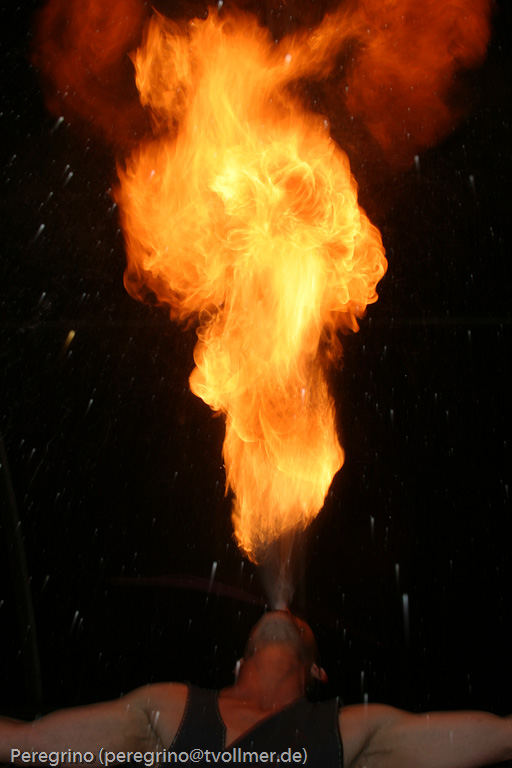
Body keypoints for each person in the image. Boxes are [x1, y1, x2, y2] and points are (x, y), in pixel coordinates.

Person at [0, 610, 510, 767]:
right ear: (239, 660)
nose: (284, 611)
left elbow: (503, 737)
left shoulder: (351, 731)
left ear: (317, 672)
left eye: (301, 621)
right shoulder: (169, 707)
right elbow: (25, 744)